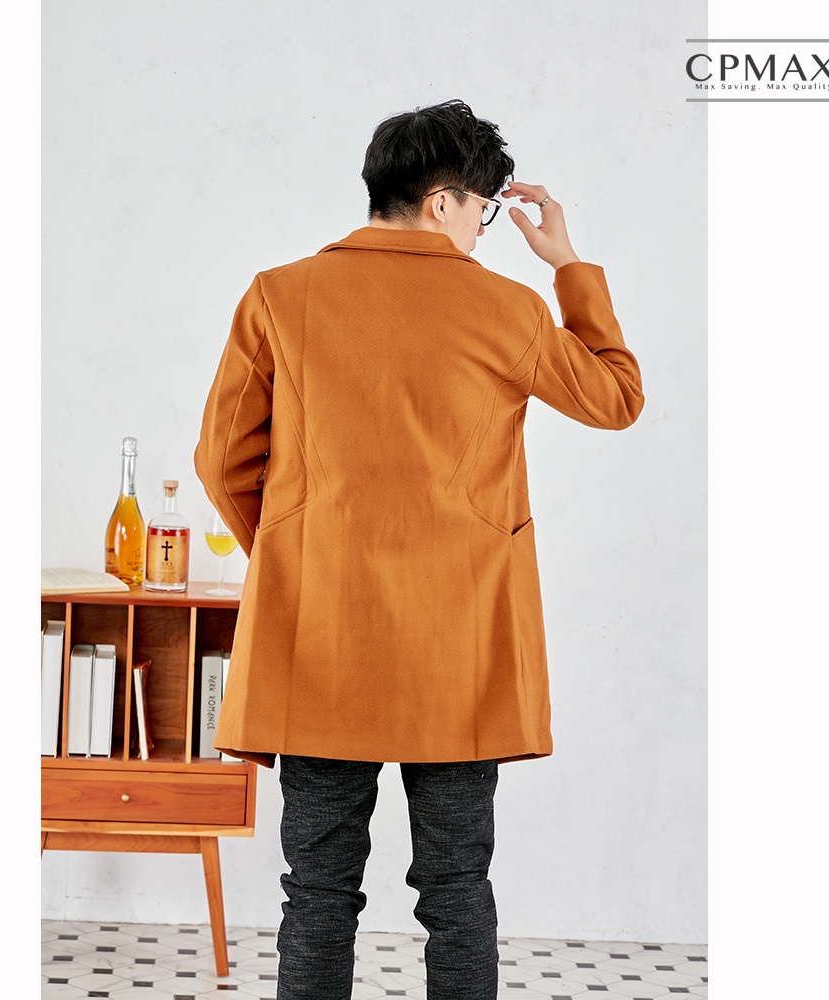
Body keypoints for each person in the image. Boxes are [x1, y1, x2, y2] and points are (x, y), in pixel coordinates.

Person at [194, 98, 643, 1000]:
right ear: (443, 201)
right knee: (456, 890)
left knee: (317, 893)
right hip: (458, 653)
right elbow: (616, 397)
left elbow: (221, 460)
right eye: (483, 210)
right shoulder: (510, 308)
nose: (482, 228)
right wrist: (567, 266)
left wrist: (292, 555)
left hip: (320, 644)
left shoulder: (279, 294)